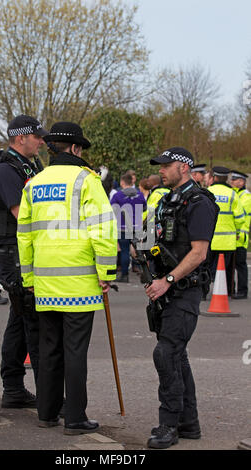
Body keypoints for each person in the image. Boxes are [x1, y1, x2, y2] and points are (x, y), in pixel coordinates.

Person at [17, 121, 117, 434]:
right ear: (75, 148)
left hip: (45, 283)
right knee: (75, 351)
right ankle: (74, 418)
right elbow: (103, 229)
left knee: (48, 350)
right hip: (80, 283)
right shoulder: (87, 180)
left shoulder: (35, 183)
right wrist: (107, 272)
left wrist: (29, 277)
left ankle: (47, 413)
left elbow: (25, 235)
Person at [143, 147, 218, 449]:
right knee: (177, 356)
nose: (161, 170)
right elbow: (150, 239)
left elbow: (199, 253)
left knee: (166, 353)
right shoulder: (163, 201)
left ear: (184, 168)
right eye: (159, 166)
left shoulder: (200, 203)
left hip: (184, 288)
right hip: (163, 288)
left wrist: (168, 280)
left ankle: (169, 425)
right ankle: (189, 424)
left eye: (166, 165)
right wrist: (144, 253)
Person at [0, 114, 48, 408]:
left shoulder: (29, 165)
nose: (42, 142)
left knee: (20, 319)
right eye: (37, 137)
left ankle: (13, 388)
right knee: (31, 320)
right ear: (21, 138)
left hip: (24, 251)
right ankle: (45, 396)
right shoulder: (4, 170)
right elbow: (23, 214)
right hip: (12, 253)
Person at [207, 166, 245, 294]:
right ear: (226, 179)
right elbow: (240, 218)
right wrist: (238, 232)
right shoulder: (232, 194)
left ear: (215, 178)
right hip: (227, 241)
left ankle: (203, 292)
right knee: (228, 269)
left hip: (209, 240)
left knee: (205, 268)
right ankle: (228, 291)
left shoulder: (207, 192)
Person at [111, 173, 147, 282]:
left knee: (125, 251)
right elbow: (145, 208)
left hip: (122, 227)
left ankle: (124, 275)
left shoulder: (117, 195)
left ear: (122, 182)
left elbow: (112, 209)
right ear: (132, 182)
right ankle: (144, 273)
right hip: (137, 227)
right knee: (139, 250)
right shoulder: (139, 194)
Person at [229, 170, 251, 299]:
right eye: (231, 179)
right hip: (233, 236)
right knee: (232, 265)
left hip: (240, 236)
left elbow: (242, 218)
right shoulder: (237, 195)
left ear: (242, 182)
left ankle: (242, 290)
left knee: (240, 265)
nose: (232, 182)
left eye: (235, 180)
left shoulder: (246, 197)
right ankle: (232, 289)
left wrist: (240, 233)